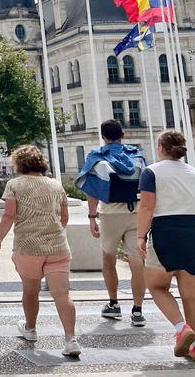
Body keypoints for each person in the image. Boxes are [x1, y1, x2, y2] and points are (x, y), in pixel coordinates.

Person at [0, 145, 80, 357]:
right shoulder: (55, 185)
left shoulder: (14, 185)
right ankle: (71, 339)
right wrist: (52, 232)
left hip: (28, 247)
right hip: (57, 246)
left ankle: (30, 329)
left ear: (19, 164)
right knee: (62, 293)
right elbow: (64, 218)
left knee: (30, 290)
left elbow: (9, 216)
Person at [75, 119, 147, 325]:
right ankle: (137, 310)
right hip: (136, 211)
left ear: (103, 137)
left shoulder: (97, 156)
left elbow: (91, 189)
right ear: (122, 135)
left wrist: (91, 217)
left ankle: (114, 303)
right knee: (136, 261)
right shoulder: (137, 155)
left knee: (108, 258)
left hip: (110, 213)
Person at [136, 129, 195, 358]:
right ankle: (193, 347)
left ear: (160, 147)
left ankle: (182, 329)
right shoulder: (193, 172)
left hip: (165, 231)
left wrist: (141, 235)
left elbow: (147, 207)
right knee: (190, 295)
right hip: (192, 230)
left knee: (157, 286)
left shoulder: (151, 172)